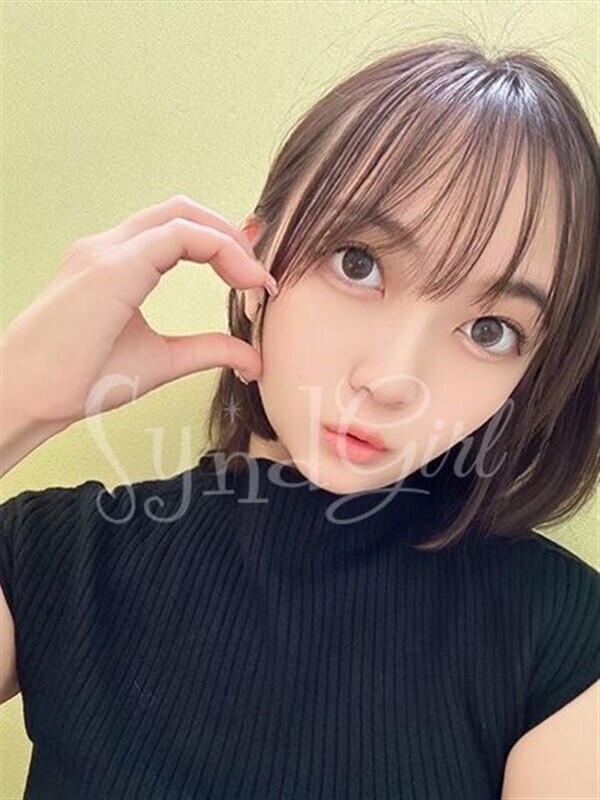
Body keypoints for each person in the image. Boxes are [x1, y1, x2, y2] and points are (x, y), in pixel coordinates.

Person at [0, 38, 598, 800]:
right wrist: (17, 394)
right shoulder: (62, 560)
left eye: (491, 330)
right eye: (358, 263)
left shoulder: (561, 645)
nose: (392, 380)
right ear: (253, 266)